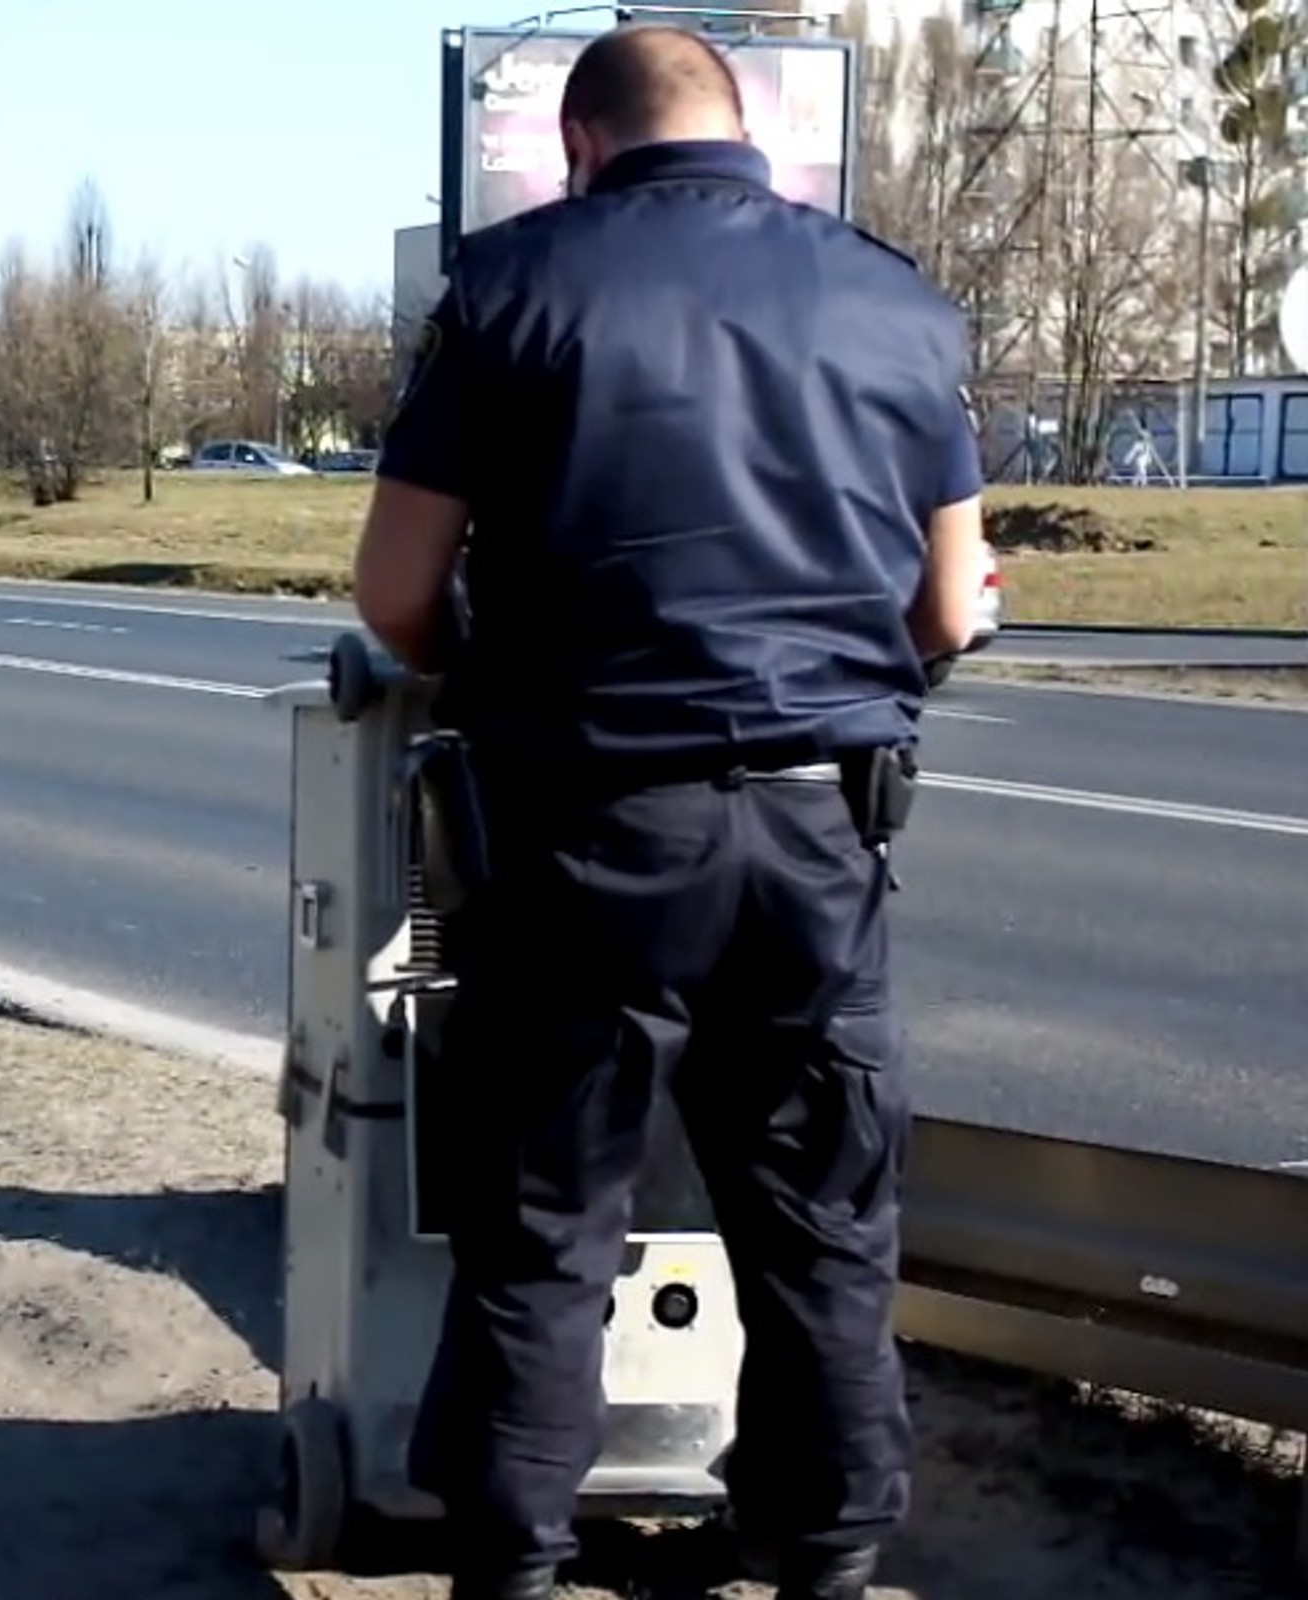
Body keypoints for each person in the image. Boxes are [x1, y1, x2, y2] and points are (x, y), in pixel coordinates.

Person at [351, 24, 986, 1600]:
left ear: (577, 144)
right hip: (818, 837)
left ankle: (510, 1569)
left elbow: (394, 596)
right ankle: (823, 1560)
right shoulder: (897, 302)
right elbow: (954, 609)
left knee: (547, 1231)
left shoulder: (509, 290)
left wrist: (485, 676)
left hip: (583, 835)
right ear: (749, 135)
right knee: (823, 1231)